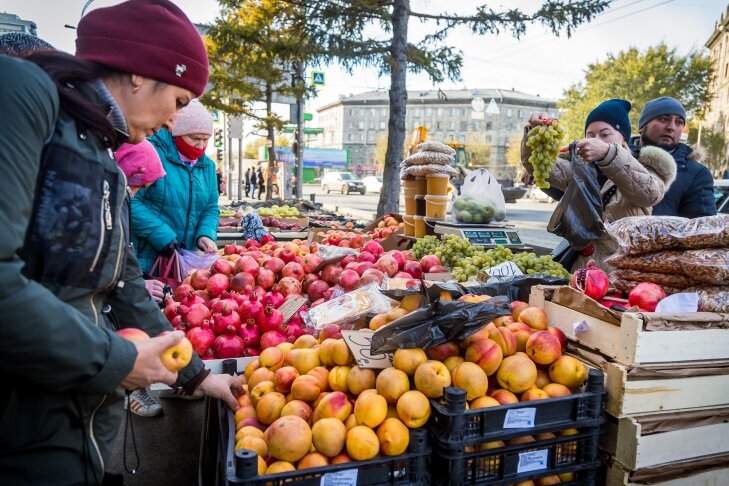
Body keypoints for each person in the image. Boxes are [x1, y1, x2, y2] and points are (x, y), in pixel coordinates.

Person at [0, 1, 241, 483]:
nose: (174, 123)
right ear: (138, 73)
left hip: (74, 424)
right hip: (19, 426)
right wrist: (116, 361)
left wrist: (196, 375)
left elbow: (124, 283)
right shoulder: (24, 93)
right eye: (176, 101)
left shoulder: (106, 160)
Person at [522, 99, 676, 271]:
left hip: (623, 276)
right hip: (581, 273)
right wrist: (535, 130)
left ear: (623, 139)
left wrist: (608, 154)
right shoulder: (581, 167)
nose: (596, 140)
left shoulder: (646, 166)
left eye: (605, 134)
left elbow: (650, 194)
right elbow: (538, 166)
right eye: (590, 135)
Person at [130, 99, 220, 275]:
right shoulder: (151, 153)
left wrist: (206, 234)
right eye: (195, 139)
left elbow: (210, 208)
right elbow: (129, 201)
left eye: (205, 139)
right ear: (177, 133)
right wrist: (162, 235)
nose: (200, 146)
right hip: (147, 260)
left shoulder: (207, 166)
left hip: (185, 264)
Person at [631, 97, 716, 218]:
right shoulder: (613, 158)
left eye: (679, 122)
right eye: (664, 119)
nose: (671, 127)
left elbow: (703, 229)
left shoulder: (697, 173)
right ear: (642, 126)